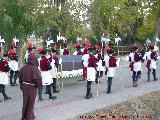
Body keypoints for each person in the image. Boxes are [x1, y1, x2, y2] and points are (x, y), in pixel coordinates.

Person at [19, 54, 42, 120]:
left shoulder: (24, 67)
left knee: (25, 102)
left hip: (25, 87)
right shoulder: (35, 68)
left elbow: (20, 77)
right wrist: (37, 86)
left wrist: (22, 86)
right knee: (31, 103)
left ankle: (24, 116)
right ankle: (29, 117)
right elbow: (38, 79)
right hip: (32, 87)